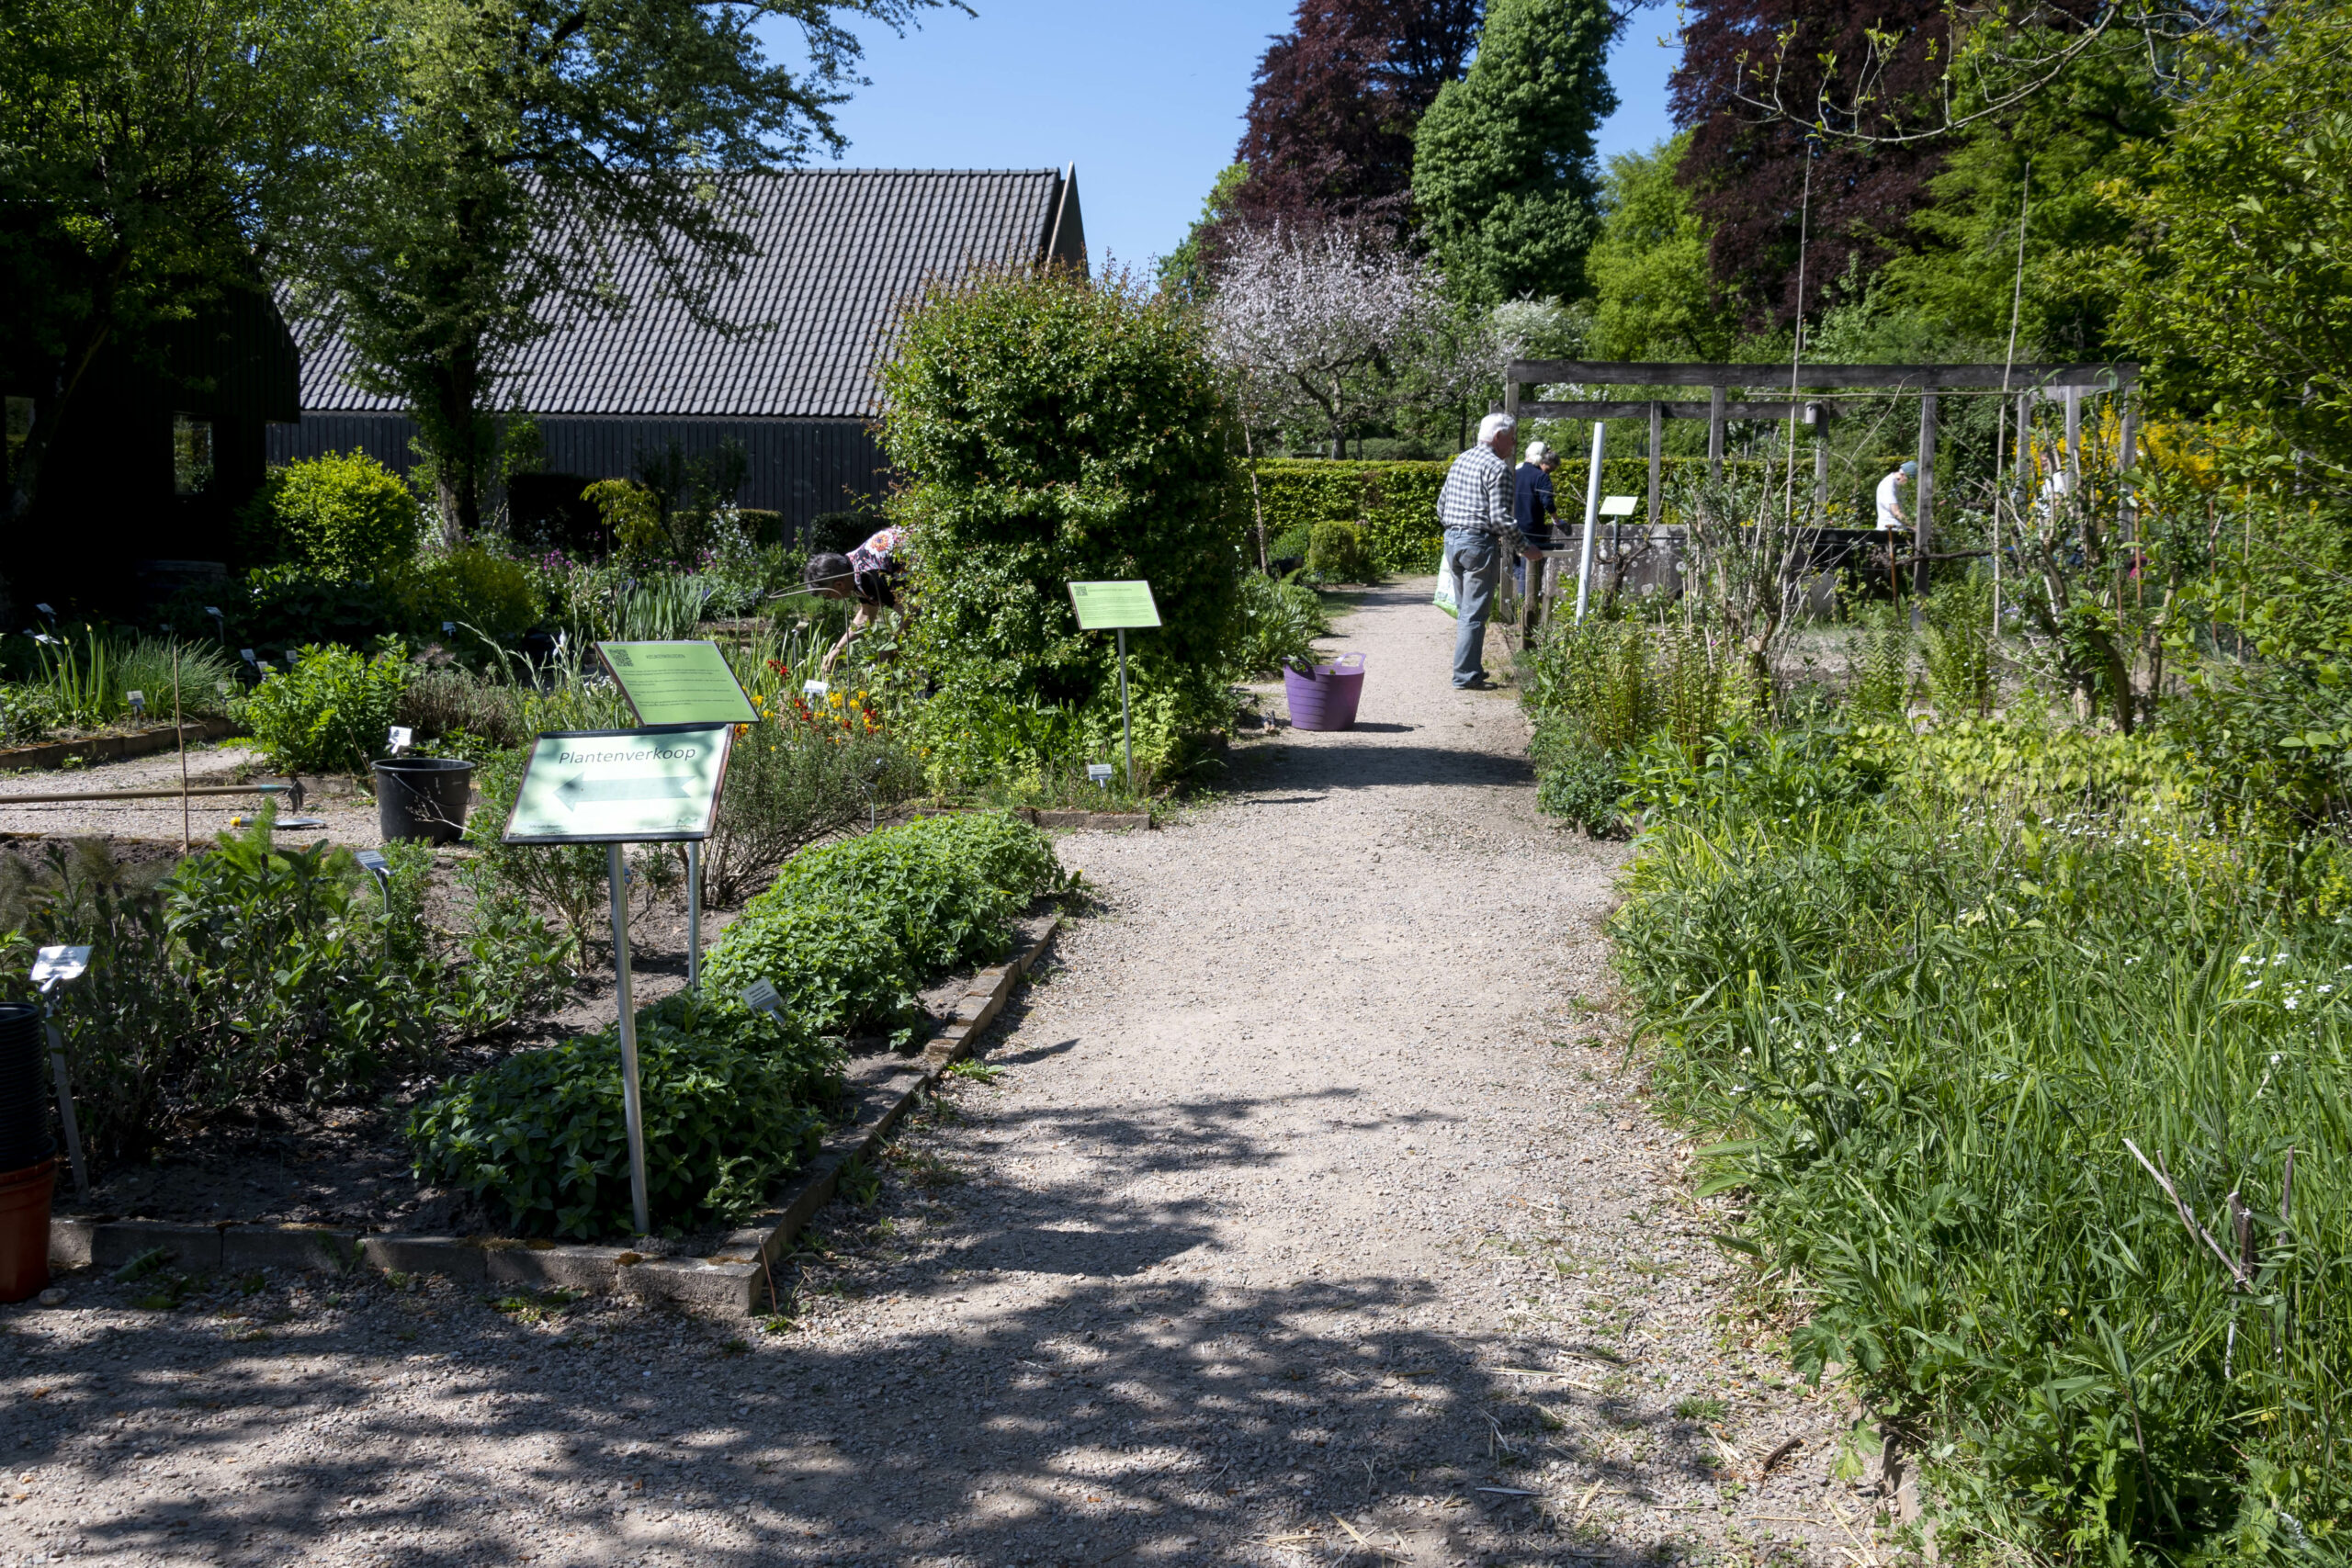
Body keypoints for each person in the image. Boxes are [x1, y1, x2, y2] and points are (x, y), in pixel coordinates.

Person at [1438, 412, 1538, 690]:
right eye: (1512, 437)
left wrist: (1454, 529)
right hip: (1478, 544)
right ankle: (1465, 677)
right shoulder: (1498, 468)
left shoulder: (1461, 460)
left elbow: (1441, 504)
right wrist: (1525, 548)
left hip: (1452, 540)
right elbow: (1500, 518)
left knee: (1465, 610)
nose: (1515, 442)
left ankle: (1471, 668)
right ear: (1498, 437)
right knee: (1474, 614)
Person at [804, 524, 910, 675]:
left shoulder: (870, 575)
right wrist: (838, 650)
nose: (831, 599)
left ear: (839, 584)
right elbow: (866, 615)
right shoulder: (853, 567)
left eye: (828, 595)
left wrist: (890, 648)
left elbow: (910, 612)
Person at [1510, 440, 1561, 597]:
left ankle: (1517, 601)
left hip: (1510, 527)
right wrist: (1556, 519)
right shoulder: (1541, 477)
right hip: (1532, 529)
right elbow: (1547, 501)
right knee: (1528, 569)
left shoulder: (1513, 473)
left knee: (1513, 564)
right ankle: (1525, 603)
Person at [1875, 460, 1917, 532]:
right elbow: (1896, 512)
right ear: (1902, 475)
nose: (1910, 483)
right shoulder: (1888, 485)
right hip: (1889, 530)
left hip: (1902, 528)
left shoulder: (1901, 484)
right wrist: (1914, 526)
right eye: (1909, 480)